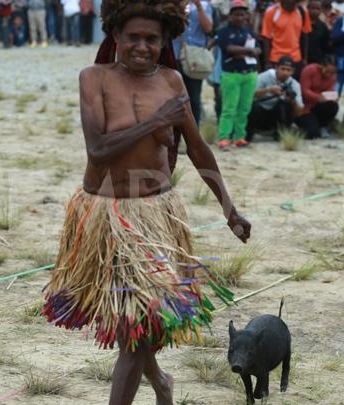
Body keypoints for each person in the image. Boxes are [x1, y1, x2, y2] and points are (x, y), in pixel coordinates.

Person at [42, 2, 251, 405]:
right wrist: (157, 122)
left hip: (155, 217)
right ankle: (161, 382)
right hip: (104, 215)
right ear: (115, 37)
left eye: (151, 39)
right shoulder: (94, 78)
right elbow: (99, 148)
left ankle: (156, 384)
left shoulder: (173, 81)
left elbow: (199, 150)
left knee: (138, 326)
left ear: (165, 41)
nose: (142, 46)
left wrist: (230, 211)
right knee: (131, 327)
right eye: (133, 37)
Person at [216, 0, 261, 149]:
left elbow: (258, 49)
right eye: (236, 14)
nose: (239, 17)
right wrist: (249, 51)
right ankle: (223, 137)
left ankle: (239, 137)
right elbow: (228, 48)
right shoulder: (224, 32)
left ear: (246, 15)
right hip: (231, 75)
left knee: (244, 108)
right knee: (229, 108)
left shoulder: (249, 32)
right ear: (231, 15)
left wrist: (249, 52)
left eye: (242, 14)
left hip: (249, 74)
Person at [172, 0, 213, 126]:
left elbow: (208, 28)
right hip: (174, 55)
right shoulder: (172, 4)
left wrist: (199, 6)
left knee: (194, 99)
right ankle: (174, 138)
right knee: (172, 99)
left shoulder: (205, 5)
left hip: (194, 59)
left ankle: (194, 138)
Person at [246, 55, 304, 141]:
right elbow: (248, 95)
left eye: (288, 70)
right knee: (253, 106)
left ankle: (281, 134)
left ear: (293, 71)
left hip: (276, 116)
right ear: (276, 67)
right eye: (282, 69)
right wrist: (268, 90)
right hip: (260, 113)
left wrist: (292, 101)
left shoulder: (294, 84)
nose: (285, 73)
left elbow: (299, 112)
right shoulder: (265, 76)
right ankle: (248, 134)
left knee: (285, 105)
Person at [261, 0, 312, 72]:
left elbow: (305, 35)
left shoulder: (302, 12)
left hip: (296, 59)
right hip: (276, 58)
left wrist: (305, 59)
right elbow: (266, 37)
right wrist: (267, 62)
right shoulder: (271, 12)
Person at [296, 55, 339, 138]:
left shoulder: (333, 77)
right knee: (312, 134)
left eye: (332, 72)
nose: (329, 75)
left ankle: (323, 126)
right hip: (304, 108)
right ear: (321, 66)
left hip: (318, 106)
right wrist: (318, 97)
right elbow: (305, 91)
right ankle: (301, 127)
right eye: (327, 72)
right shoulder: (309, 70)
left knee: (333, 106)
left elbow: (330, 90)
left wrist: (333, 97)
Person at [305, 0, 331, 64]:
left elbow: (325, 46)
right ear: (308, 8)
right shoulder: (301, 23)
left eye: (317, 9)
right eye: (313, 8)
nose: (315, 11)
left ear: (321, 10)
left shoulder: (323, 26)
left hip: (317, 61)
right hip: (302, 59)